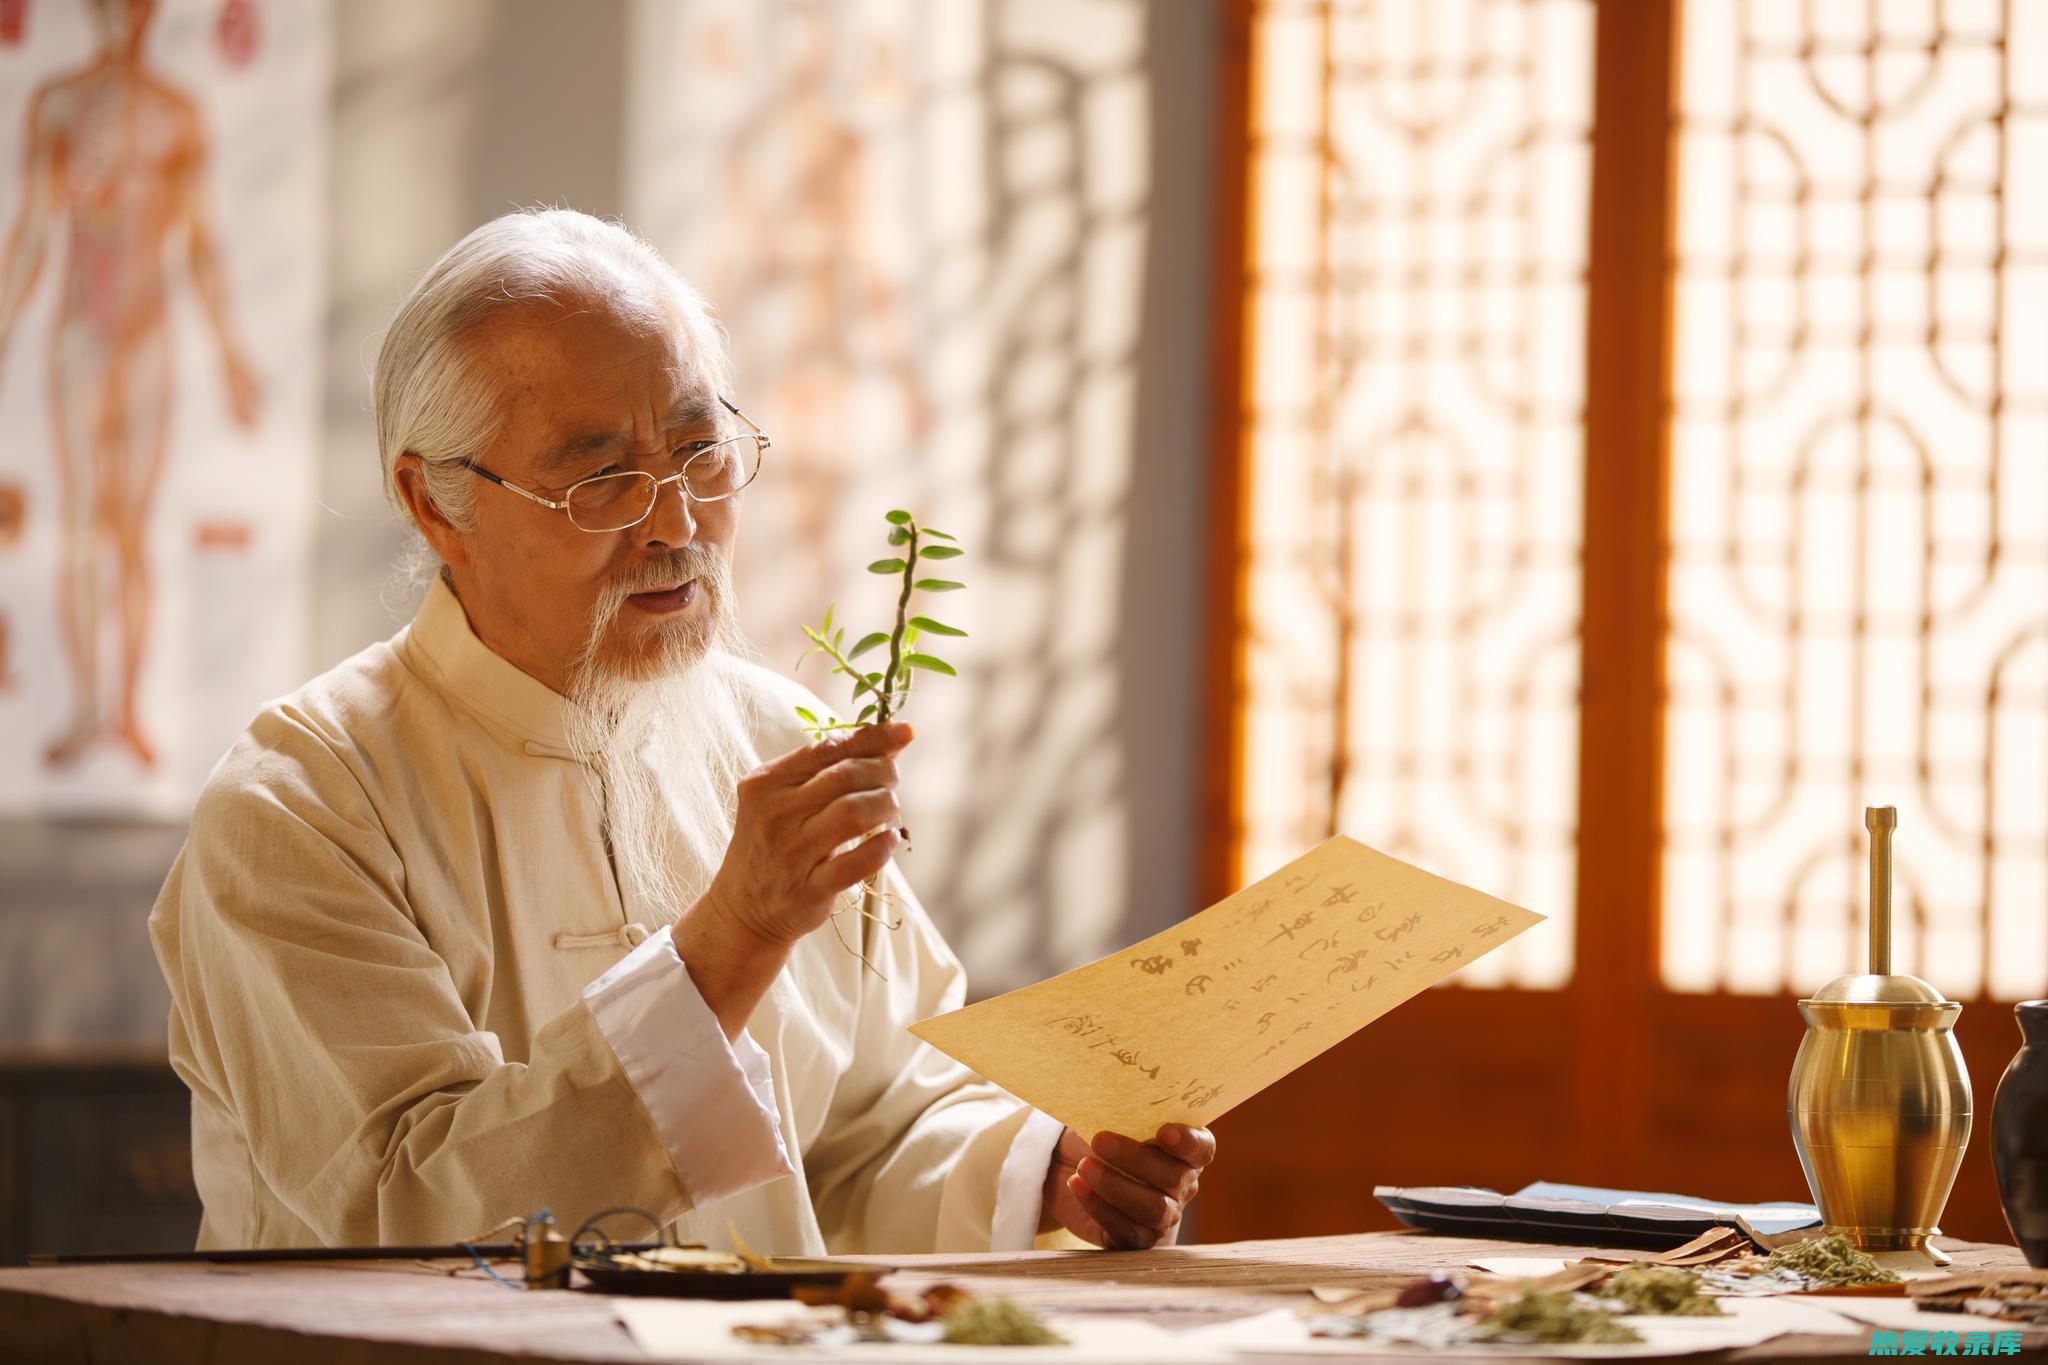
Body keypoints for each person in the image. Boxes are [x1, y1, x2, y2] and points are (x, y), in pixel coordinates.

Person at [148, 209, 1214, 1254]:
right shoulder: (306, 803)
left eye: (700, 451)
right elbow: (401, 1213)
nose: (676, 523)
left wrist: (1047, 1176)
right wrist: (729, 944)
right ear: (435, 505)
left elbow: (862, 1134)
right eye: (603, 477)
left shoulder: (778, 740)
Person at [0, 0, 262, 770]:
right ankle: (87, 712)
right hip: (82, 334)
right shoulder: (59, 103)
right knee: (84, 519)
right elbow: (34, 232)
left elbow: (200, 239)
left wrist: (229, 355)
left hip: (151, 337)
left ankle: (125, 713)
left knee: (132, 528)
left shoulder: (176, 113)